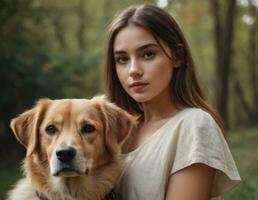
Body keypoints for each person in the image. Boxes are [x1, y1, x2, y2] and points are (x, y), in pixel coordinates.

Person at [104, 4, 241, 200]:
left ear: (177, 56)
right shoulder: (117, 133)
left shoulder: (194, 126)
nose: (133, 70)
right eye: (122, 59)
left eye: (148, 54)